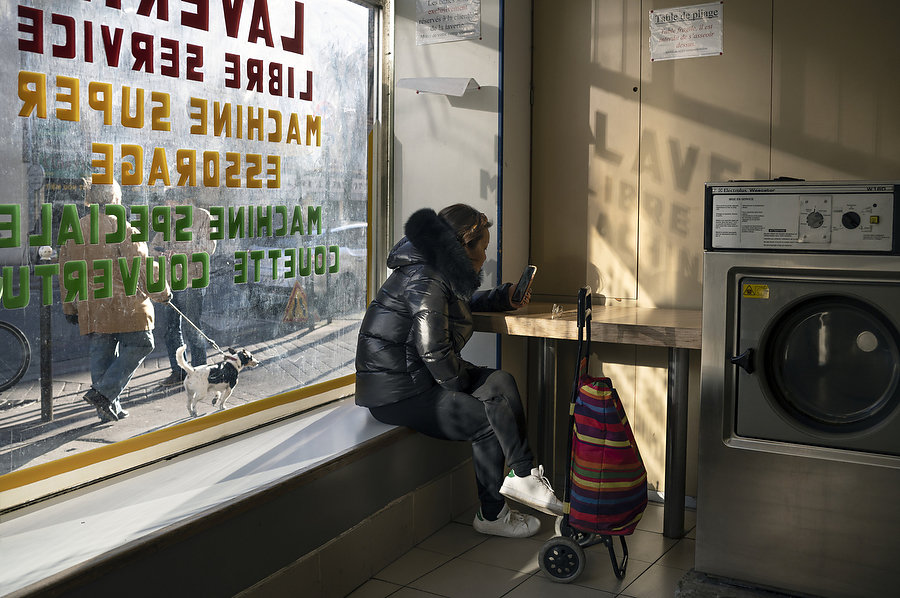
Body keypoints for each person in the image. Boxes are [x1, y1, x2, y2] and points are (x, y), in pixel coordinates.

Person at [355, 204, 562, 539]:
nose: (485, 254)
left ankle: (524, 474)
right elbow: (433, 350)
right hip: (396, 391)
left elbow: (451, 306)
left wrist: (501, 298)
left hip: (415, 377)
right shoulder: (426, 276)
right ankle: (492, 515)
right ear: (463, 245)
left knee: (500, 380)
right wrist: (463, 386)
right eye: (482, 246)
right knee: (486, 421)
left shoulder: (434, 269)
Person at [60, 179, 171, 422]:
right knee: (143, 344)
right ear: (114, 199)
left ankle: (108, 408)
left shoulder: (76, 228)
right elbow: (142, 267)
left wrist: (69, 306)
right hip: (125, 304)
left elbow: (67, 270)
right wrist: (163, 293)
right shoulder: (122, 227)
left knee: (102, 354)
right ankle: (104, 394)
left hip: (93, 306)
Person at [152, 200, 217, 388]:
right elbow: (154, 245)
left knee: (192, 329)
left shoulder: (202, 216)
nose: (171, 211)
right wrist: (158, 253)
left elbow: (208, 248)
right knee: (170, 331)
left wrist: (178, 253)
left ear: (186, 201)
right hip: (170, 283)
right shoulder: (170, 220)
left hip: (191, 282)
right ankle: (179, 372)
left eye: (174, 207)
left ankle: (201, 373)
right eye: (169, 208)